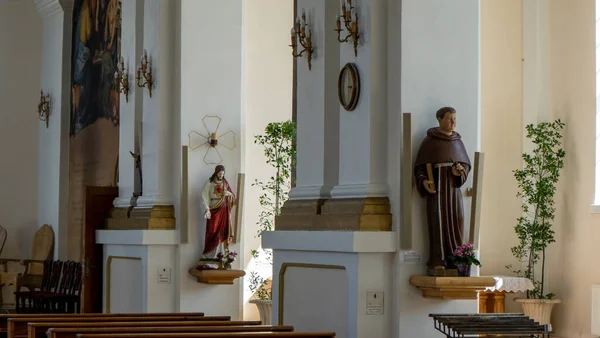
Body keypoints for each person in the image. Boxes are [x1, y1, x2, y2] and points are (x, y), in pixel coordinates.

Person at [413, 107, 471, 273]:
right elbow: (420, 169)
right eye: (449, 119)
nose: (453, 123)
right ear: (439, 119)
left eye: (454, 118)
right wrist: (424, 182)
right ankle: (438, 260)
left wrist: (460, 171)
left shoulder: (457, 142)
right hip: (437, 193)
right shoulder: (429, 142)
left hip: (453, 193)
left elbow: (465, 167)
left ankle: (457, 260)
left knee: (457, 221)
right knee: (437, 223)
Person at [201, 165, 236, 260]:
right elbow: (204, 196)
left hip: (224, 209)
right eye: (220, 173)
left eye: (223, 174)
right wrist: (207, 209)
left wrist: (228, 194)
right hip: (213, 209)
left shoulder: (225, 183)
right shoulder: (209, 182)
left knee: (223, 230)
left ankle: (220, 255)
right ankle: (208, 255)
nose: (221, 175)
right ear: (216, 172)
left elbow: (233, 196)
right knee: (212, 230)